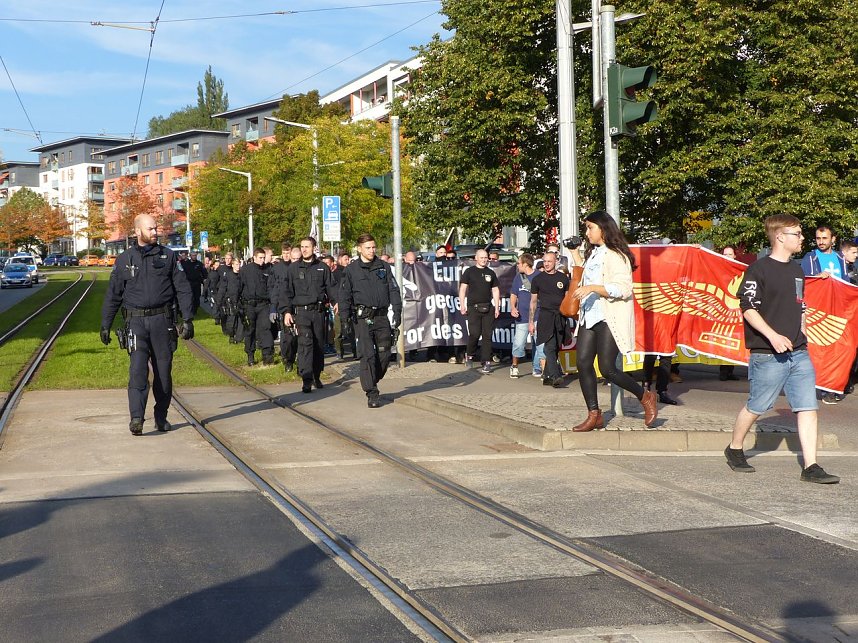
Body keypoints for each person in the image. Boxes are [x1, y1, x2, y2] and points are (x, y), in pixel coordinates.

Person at [725, 215, 839, 484]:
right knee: (757, 406)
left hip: (799, 352)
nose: (802, 238)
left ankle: (811, 466)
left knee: (807, 407)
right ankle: (735, 448)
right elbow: (748, 309)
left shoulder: (797, 270)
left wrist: (804, 331)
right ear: (779, 237)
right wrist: (773, 336)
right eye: (797, 233)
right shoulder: (758, 270)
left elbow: (801, 305)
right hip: (768, 354)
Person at [100, 214, 194, 436]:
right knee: (138, 371)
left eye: (156, 228)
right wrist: (106, 324)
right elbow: (113, 295)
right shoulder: (124, 260)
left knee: (163, 372)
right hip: (136, 322)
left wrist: (187, 318)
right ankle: (136, 418)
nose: (155, 232)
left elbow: (183, 288)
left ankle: (161, 417)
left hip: (162, 321)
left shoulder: (168, 257)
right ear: (137, 231)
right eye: (151, 229)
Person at [570, 210, 657, 432]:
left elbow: (624, 288)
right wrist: (575, 254)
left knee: (608, 368)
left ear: (603, 229)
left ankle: (645, 396)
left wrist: (594, 288)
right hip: (590, 315)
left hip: (609, 316)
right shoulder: (595, 253)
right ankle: (594, 414)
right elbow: (586, 276)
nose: (587, 232)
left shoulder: (616, 255)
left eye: (590, 227)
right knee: (582, 363)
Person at [338, 233, 402, 408]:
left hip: (381, 317)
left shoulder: (383, 267)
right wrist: (344, 319)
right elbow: (344, 296)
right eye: (368, 248)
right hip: (363, 318)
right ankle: (372, 392)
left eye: (374, 247)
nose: (372, 250)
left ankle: (372, 378)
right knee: (368, 355)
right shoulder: (351, 270)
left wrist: (397, 310)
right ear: (359, 249)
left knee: (385, 353)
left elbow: (394, 290)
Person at [279, 237, 336, 393]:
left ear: (314, 248)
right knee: (305, 345)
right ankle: (306, 378)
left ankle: (317, 375)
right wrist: (287, 312)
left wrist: (336, 302)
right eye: (302, 247)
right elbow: (286, 292)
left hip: (318, 312)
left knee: (318, 345)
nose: (304, 249)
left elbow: (331, 288)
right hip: (301, 312)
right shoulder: (293, 269)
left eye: (307, 247)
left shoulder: (323, 268)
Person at [528, 251, 570, 387]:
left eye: (549, 261)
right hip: (545, 316)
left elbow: (568, 298)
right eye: (544, 261)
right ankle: (556, 376)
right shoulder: (537, 279)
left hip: (560, 316)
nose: (546, 264)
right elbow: (533, 302)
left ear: (556, 262)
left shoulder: (563, 279)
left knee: (557, 346)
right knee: (549, 347)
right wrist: (531, 322)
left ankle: (547, 376)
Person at [458, 249, 500, 374]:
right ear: (476, 258)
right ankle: (469, 355)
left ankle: (486, 362)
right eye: (481, 257)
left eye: (486, 257)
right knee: (475, 334)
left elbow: (496, 290)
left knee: (487, 335)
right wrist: (462, 304)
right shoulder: (469, 272)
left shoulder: (490, 273)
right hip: (473, 307)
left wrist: (497, 307)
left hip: (488, 307)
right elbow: (463, 288)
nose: (484, 260)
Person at [239, 248, 274, 366]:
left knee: (265, 328)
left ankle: (267, 355)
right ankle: (250, 355)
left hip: (263, 304)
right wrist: (237, 305)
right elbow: (239, 287)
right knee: (250, 330)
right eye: (260, 258)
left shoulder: (268, 270)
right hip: (249, 305)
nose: (262, 260)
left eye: (264, 258)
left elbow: (271, 287)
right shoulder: (245, 270)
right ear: (254, 257)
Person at [509, 253, 539, 378]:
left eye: (519, 263)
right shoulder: (518, 277)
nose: (517, 265)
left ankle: (537, 367)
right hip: (522, 316)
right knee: (518, 343)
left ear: (526, 264)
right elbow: (513, 293)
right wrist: (513, 307)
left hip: (537, 315)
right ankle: (514, 366)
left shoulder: (539, 276)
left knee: (538, 343)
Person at [268, 241, 297, 372]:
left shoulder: (296, 267)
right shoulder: (276, 269)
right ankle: (288, 359)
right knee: (287, 337)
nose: (286, 255)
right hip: (283, 306)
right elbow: (273, 289)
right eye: (284, 253)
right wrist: (273, 307)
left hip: (297, 305)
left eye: (288, 253)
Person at [719, 246, 741, 381]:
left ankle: (730, 370)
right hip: (722, 310)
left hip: (735, 310)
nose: (727, 256)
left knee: (734, 340)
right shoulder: (718, 270)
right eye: (725, 254)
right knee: (723, 341)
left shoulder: (739, 270)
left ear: (734, 256)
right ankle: (723, 370)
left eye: (730, 254)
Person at [219, 258, 244, 343]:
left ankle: (239, 337)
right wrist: (220, 300)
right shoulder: (228, 276)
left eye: (239, 264)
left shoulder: (242, 275)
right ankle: (231, 335)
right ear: (233, 265)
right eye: (236, 264)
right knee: (231, 320)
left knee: (241, 319)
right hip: (230, 300)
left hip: (240, 300)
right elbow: (223, 288)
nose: (238, 266)